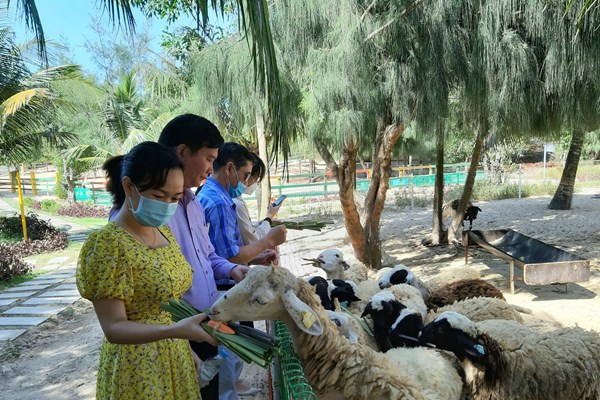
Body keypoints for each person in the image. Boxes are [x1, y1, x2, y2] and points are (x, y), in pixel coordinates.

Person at [76, 141, 217, 400]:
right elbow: (114, 327)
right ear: (129, 186)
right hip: (137, 369)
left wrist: (186, 349)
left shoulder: (164, 232)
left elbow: (168, 307)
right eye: (158, 196)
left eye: (174, 198)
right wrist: (175, 332)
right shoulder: (108, 244)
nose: (167, 205)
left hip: (175, 357)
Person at [157, 114, 249, 400]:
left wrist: (232, 270)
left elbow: (208, 254)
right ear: (183, 152)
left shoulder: (193, 203)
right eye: (209, 159)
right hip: (177, 332)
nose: (211, 168)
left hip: (206, 323)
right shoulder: (154, 213)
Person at [197, 142, 286, 266]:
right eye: (245, 175)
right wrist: (268, 241)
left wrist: (254, 258)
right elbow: (230, 259)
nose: (245, 182)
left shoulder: (208, 194)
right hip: (227, 284)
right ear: (229, 169)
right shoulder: (220, 204)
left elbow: (217, 255)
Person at [233, 152, 283, 245]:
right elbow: (253, 239)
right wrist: (269, 217)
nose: (255, 182)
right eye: (257, 177)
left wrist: (263, 222)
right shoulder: (237, 204)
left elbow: (246, 228)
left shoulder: (235, 199)